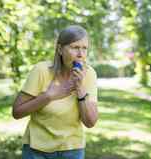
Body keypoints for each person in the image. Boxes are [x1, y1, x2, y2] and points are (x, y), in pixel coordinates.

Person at [12, 25, 98, 159]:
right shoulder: (41, 71)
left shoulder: (89, 74)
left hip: (72, 149)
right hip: (36, 150)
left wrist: (80, 88)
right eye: (75, 47)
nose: (81, 54)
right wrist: (49, 96)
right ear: (60, 49)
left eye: (84, 48)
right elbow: (17, 112)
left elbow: (90, 122)